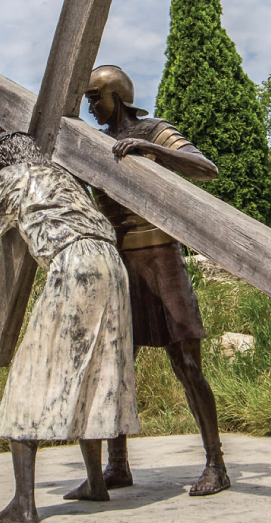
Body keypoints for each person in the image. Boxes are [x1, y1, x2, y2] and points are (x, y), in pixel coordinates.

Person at [0, 131, 139, 523]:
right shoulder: (66, 177)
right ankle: (95, 482)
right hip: (112, 265)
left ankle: (23, 502)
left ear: (3, 162)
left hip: (73, 262)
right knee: (94, 372)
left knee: (31, 375)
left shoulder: (11, 178)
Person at [84, 64, 230, 496]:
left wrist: (153, 152)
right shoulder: (90, 142)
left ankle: (216, 464)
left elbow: (206, 168)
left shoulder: (151, 129)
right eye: (88, 99)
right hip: (117, 261)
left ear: (119, 97)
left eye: (97, 98)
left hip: (161, 256)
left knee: (186, 364)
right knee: (114, 366)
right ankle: (118, 465)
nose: (91, 106)